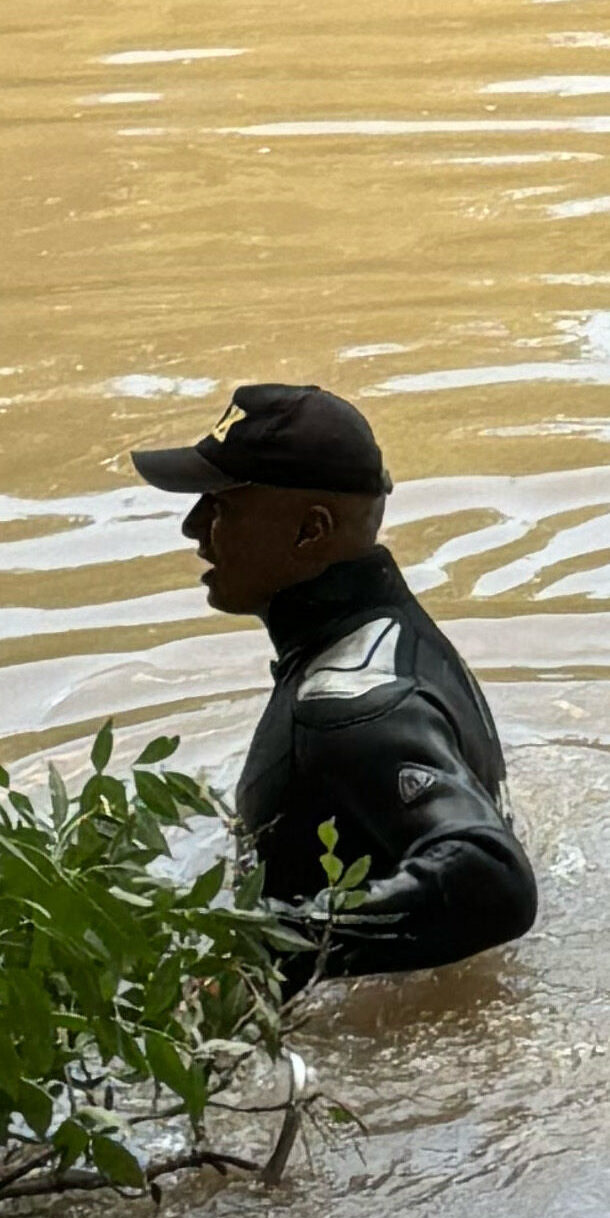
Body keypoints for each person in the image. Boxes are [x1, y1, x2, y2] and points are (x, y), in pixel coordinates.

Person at [133, 381, 538, 990]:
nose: (194, 527)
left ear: (311, 530)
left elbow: (492, 878)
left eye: (221, 504)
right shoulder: (398, 635)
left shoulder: (346, 708)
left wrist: (258, 952)